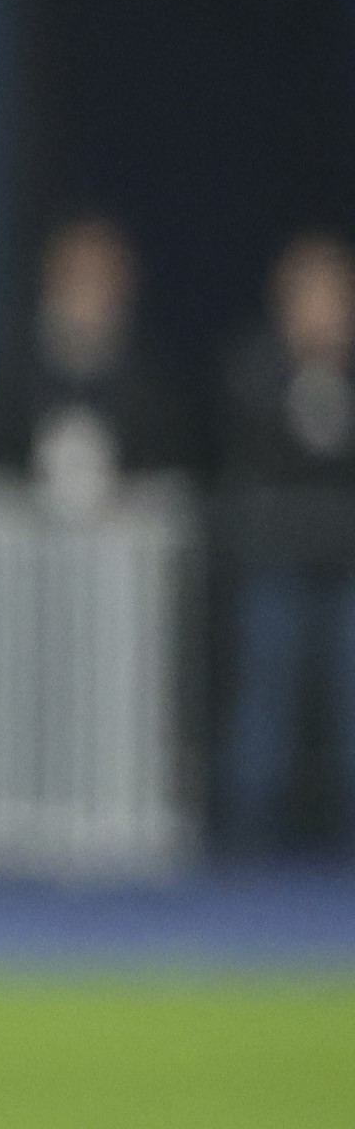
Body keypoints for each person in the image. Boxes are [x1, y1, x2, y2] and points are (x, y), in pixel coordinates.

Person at [214, 232, 355, 854]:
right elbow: (252, 455)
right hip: (276, 567)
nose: (325, 311)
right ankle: (249, 843)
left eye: (336, 297)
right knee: (263, 714)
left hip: (346, 567)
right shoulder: (255, 366)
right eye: (313, 296)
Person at [0, 217, 173, 517]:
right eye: (77, 277)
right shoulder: (10, 377)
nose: (88, 294)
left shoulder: (153, 383)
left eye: (100, 278)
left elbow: (171, 473)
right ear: (51, 283)